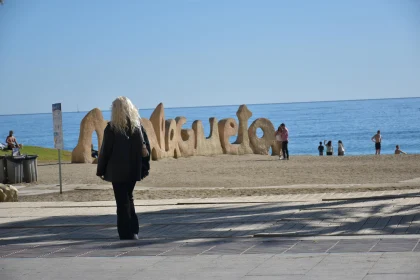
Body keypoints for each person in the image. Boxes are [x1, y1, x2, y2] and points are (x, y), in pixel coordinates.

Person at [96, 96, 151, 240]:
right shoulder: (137, 126)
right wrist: (144, 167)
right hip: (133, 169)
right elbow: (146, 148)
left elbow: (105, 151)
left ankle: (125, 232)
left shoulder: (112, 128)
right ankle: (134, 230)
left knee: (122, 202)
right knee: (129, 197)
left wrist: (100, 170)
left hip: (117, 172)